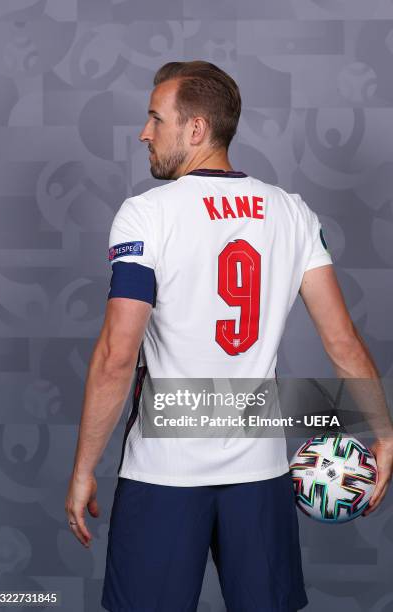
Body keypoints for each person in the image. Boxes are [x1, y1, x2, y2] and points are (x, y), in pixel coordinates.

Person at [65, 61, 393, 611]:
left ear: (195, 130)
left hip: (163, 475)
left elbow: (117, 356)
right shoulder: (293, 213)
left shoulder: (146, 215)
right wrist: (383, 433)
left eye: (155, 118)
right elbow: (342, 342)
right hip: (260, 474)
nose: (145, 133)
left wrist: (81, 472)